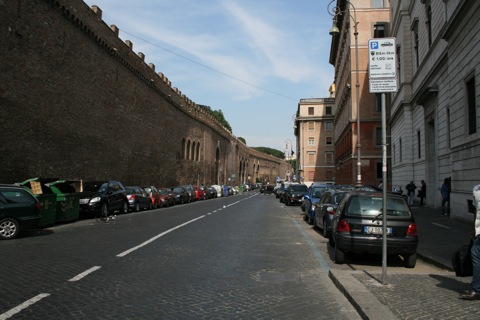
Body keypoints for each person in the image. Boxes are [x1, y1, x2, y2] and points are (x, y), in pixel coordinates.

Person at [460, 185, 480, 300]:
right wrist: (474, 229)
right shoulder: (476, 190)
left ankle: (477, 289)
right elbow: (475, 212)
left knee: (476, 255)